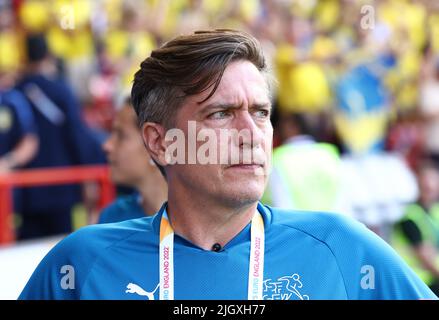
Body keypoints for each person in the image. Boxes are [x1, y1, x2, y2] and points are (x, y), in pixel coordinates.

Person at [20, 30, 436, 300]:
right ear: (161, 143)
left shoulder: (344, 249)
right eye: (220, 114)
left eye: (260, 112)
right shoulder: (81, 264)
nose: (251, 132)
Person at [14, 33, 106, 240]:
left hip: (24, 190)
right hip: (60, 188)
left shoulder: (15, 92)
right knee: (59, 253)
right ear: (48, 55)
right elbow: (76, 136)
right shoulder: (60, 90)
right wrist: (89, 172)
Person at [99, 98, 167, 224]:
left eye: (121, 135)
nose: (107, 145)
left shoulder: (202, 222)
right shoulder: (112, 219)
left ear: (156, 144)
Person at [392, 159, 439, 295]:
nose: (429, 187)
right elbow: (425, 256)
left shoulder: (435, 211)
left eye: (433, 182)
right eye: (425, 183)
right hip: (419, 281)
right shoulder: (409, 217)